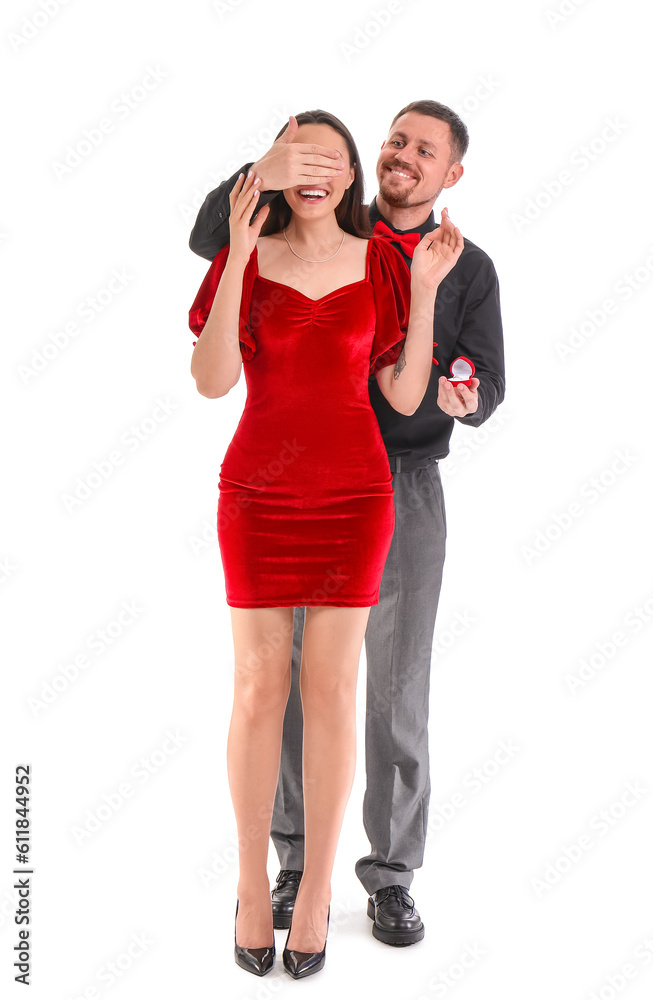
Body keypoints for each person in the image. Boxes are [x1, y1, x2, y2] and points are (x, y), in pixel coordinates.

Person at [189, 99, 505, 951]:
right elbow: (209, 235)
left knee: (387, 691)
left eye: (424, 149)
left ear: (450, 173)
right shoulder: (306, 222)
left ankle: (384, 876)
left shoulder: (454, 264)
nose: (403, 155)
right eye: (395, 140)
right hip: (275, 481)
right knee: (275, 690)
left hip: (392, 484)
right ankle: (284, 872)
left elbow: (463, 380)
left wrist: (461, 389)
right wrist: (267, 179)